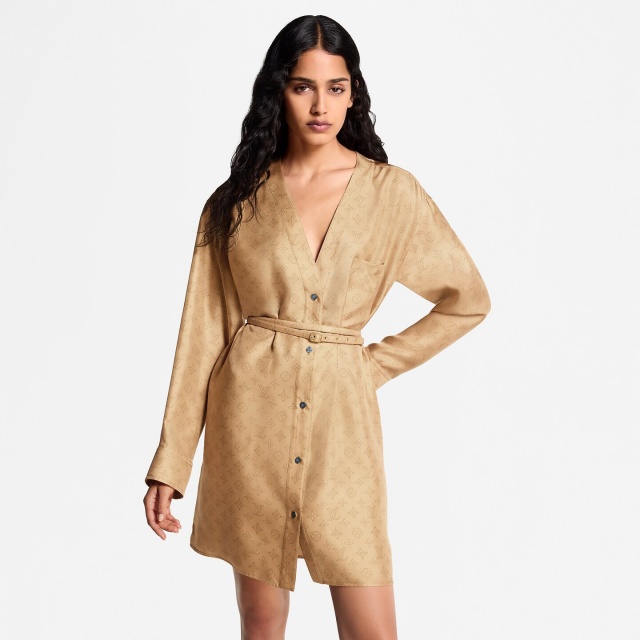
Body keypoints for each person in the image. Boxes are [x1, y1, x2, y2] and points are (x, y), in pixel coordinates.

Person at [143, 14, 490, 640]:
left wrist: (372, 364)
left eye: (335, 87)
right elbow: (202, 335)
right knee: (261, 622)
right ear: (278, 90)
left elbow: (466, 299)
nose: (320, 105)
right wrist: (171, 461)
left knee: (371, 627)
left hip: (342, 428)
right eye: (303, 86)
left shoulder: (392, 194)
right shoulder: (235, 201)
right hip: (249, 420)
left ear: (354, 93)